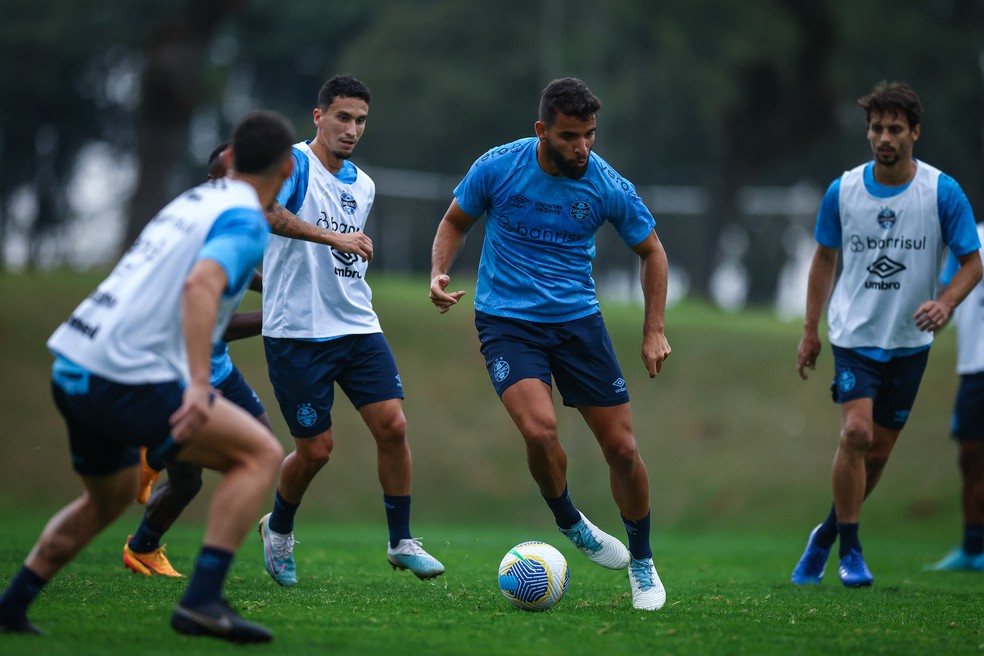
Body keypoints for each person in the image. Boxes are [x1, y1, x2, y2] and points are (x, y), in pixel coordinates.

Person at [0, 110, 295, 642]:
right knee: (260, 454)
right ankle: (203, 601)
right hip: (122, 374)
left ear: (228, 160)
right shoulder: (246, 219)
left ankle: (10, 606)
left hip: (73, 360)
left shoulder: (194, 200)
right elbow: (201, 287)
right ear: (287, 169)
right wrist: (200, 385)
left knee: (106, 500)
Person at [429, 77, 670, 611]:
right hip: (506, 322)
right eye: (568, 136)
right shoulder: (498, 166)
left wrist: (653, 329)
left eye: (589, 135)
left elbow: (652, 252)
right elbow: (454, 221)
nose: (581, 147)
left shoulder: (606, 184)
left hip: (577, 323)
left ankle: (644, 563)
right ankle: (571, 523)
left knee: (623, 450)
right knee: (540, 433)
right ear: (542, 130)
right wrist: (438, 272)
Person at [792, 81, 983, 588]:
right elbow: (823, 261)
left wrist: (945, 303)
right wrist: (810, 331)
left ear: (915, 132)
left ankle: (825, 535)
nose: (884, 137)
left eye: (895, 129)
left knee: (875, 454)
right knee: (855, 434)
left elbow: (972, 263)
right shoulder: (844, 190)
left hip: (910, 342)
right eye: (877, 128)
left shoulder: (942, 192)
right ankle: (852, 550)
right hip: (854, 335)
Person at [257, 74, 444, 586]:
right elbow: (268, 212)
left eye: (360, 120)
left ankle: (401, 542)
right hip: (297, 332)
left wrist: (344, 248)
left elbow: (345, 250)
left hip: (357, 325)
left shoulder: (363, 184)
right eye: (343, 117)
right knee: (316, 451)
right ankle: (278, 528)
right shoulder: (295, 163)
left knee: (395, 426)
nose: (352, 129)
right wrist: (331, 238)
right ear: (318, 117)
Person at [123, 144, 271, 579]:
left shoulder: (232, 222)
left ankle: (143, 547)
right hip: (178, 371)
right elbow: (212, 325)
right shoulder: (201, 229)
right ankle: (158, 449)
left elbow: (241, 273)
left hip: (215, 368)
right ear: (214, 180)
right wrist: (276, 316)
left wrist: (276, 287)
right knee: (251, 454)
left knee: (199, 476)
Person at [926, 221, 984, 572]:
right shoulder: (973, 235)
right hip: (974, 367)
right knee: (969, 457)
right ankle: (972, 548)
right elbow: (947, 295)